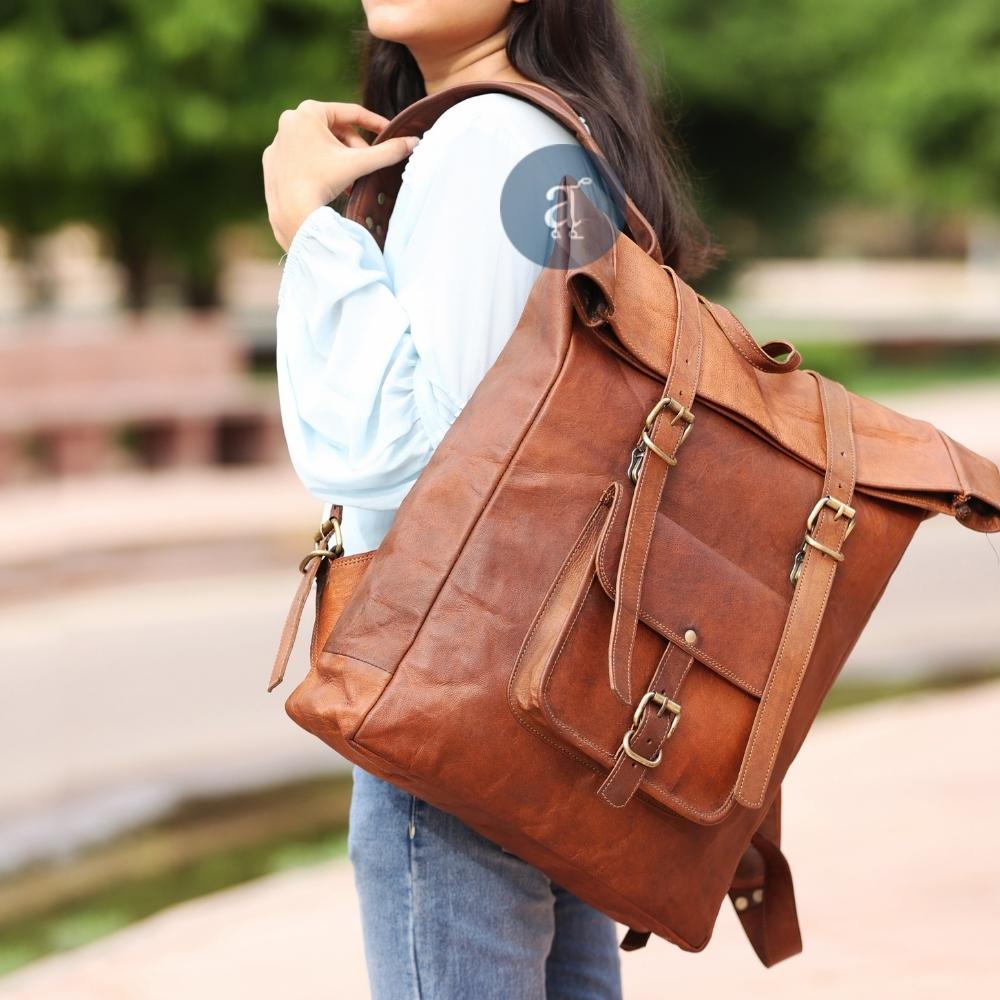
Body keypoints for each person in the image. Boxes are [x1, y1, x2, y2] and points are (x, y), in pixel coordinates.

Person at [262, 1, 714, 996]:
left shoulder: (485, 141)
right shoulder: (554, 140)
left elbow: (412, 453)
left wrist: (308, 229)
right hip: (548, 684)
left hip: (450, 695)